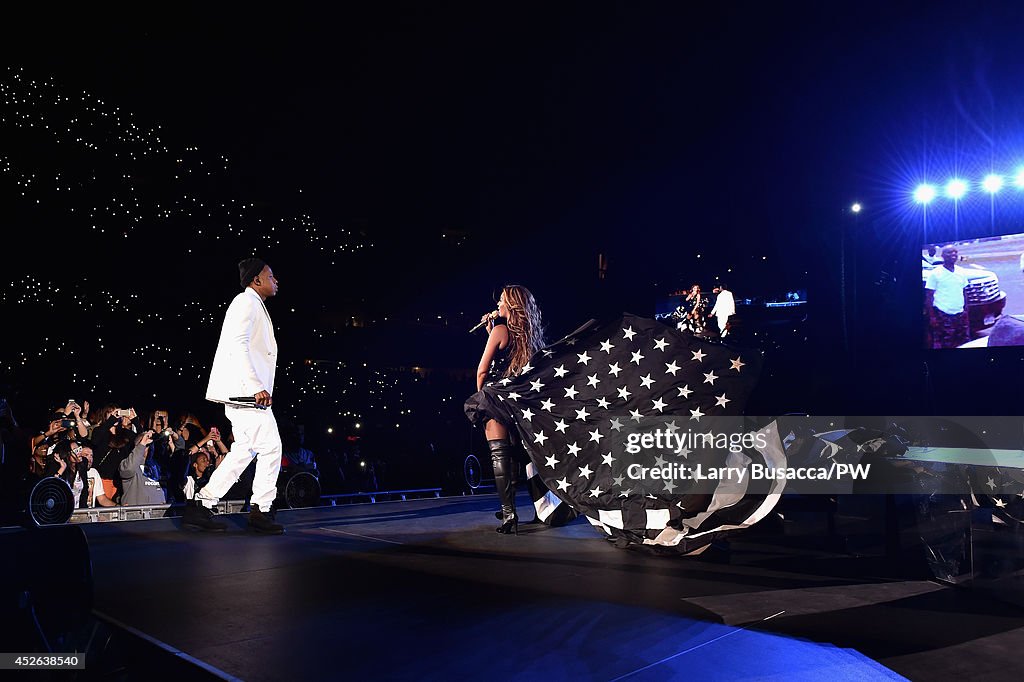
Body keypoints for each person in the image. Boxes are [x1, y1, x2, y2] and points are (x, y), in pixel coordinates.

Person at [183, 257, 284, 534]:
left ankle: (202, 505)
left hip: (245, 394)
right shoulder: (246, 302)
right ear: (257, 280)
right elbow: (237, 344)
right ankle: (261, 511)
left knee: (244, 451)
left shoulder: (253, 304)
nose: (276, 281)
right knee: (271, 447)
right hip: (247, 393)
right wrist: (255, 385)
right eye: (271, 275)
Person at [472, 285, 546, 534]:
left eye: (502, 301)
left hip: (497, 396)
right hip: (521, 400)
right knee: (521, 454)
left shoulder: (500, 331)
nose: (498, 306)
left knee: (499, 454)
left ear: (511, 306)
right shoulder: (532, 335)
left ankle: (509, 513)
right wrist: (491, 331)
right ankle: (541, 509)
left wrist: (482, 397)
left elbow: (483, 369)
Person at [925, 245, 969, 349]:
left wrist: (966, 310)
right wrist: (932, 317)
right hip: (943, 315)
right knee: (947, 344)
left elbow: (964, 291)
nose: (953, 254)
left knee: (964, 343)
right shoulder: (935, 274)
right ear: (942, 256)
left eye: (955, 252)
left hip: (960, 314)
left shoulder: (961, 271)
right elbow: (929, 296)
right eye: (949, 253)